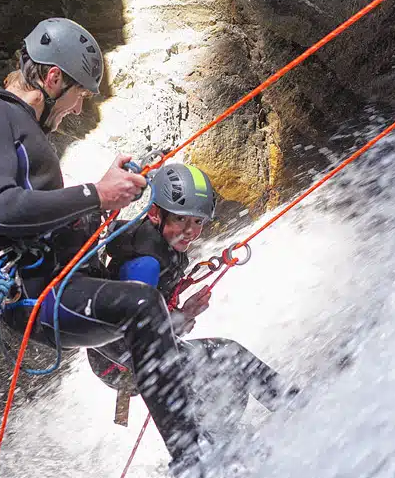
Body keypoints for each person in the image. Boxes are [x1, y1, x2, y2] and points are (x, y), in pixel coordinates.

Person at [0, 17, 220, 478]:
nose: (79, 107)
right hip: (39, 296)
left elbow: (35, 213)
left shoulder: (15, 126)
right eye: (79, 93)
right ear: (52, 77)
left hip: (61, 283)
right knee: (141, 307)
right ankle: (194, 464)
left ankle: (207, 440)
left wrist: (98, 207)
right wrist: (95, 195)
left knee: (147, 308)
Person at [86, 164, 287, 436]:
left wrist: (183, 312)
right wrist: (179, 319)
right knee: (231, 357)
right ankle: (294, 407)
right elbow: (135, 333)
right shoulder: (145, 264)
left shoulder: (157, 245)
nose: (190, 230)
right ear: (156, 214)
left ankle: (228, 440)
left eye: (198, 221)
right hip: (121, 361)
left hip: (119, 356)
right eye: (181, 219)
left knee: (224, 380)